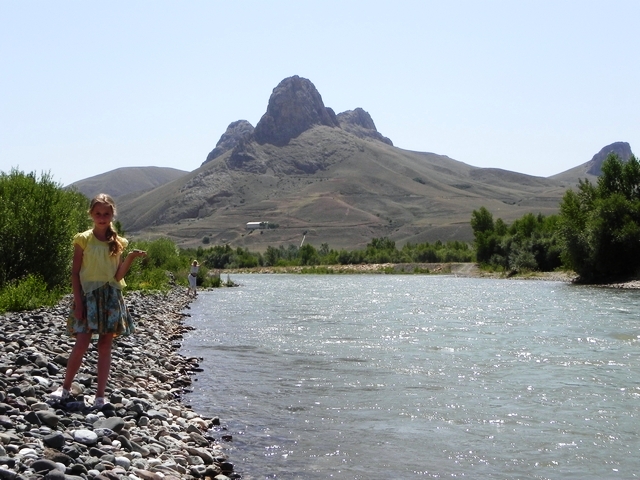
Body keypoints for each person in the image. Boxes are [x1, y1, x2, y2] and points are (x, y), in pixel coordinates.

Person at [49, 193, 147, 408]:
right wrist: (79, 303)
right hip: (87, 295)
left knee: (104, 345)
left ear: (113, 215)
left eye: (106, 213)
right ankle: (65, 387)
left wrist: (129, 257)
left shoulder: (118, 242)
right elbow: (75, 273)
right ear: (91, 215)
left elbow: (118, 276)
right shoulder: (83, 239)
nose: (102, 217)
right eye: (98, 213)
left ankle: (100, 395)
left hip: (111, 296)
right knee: (81, 343)